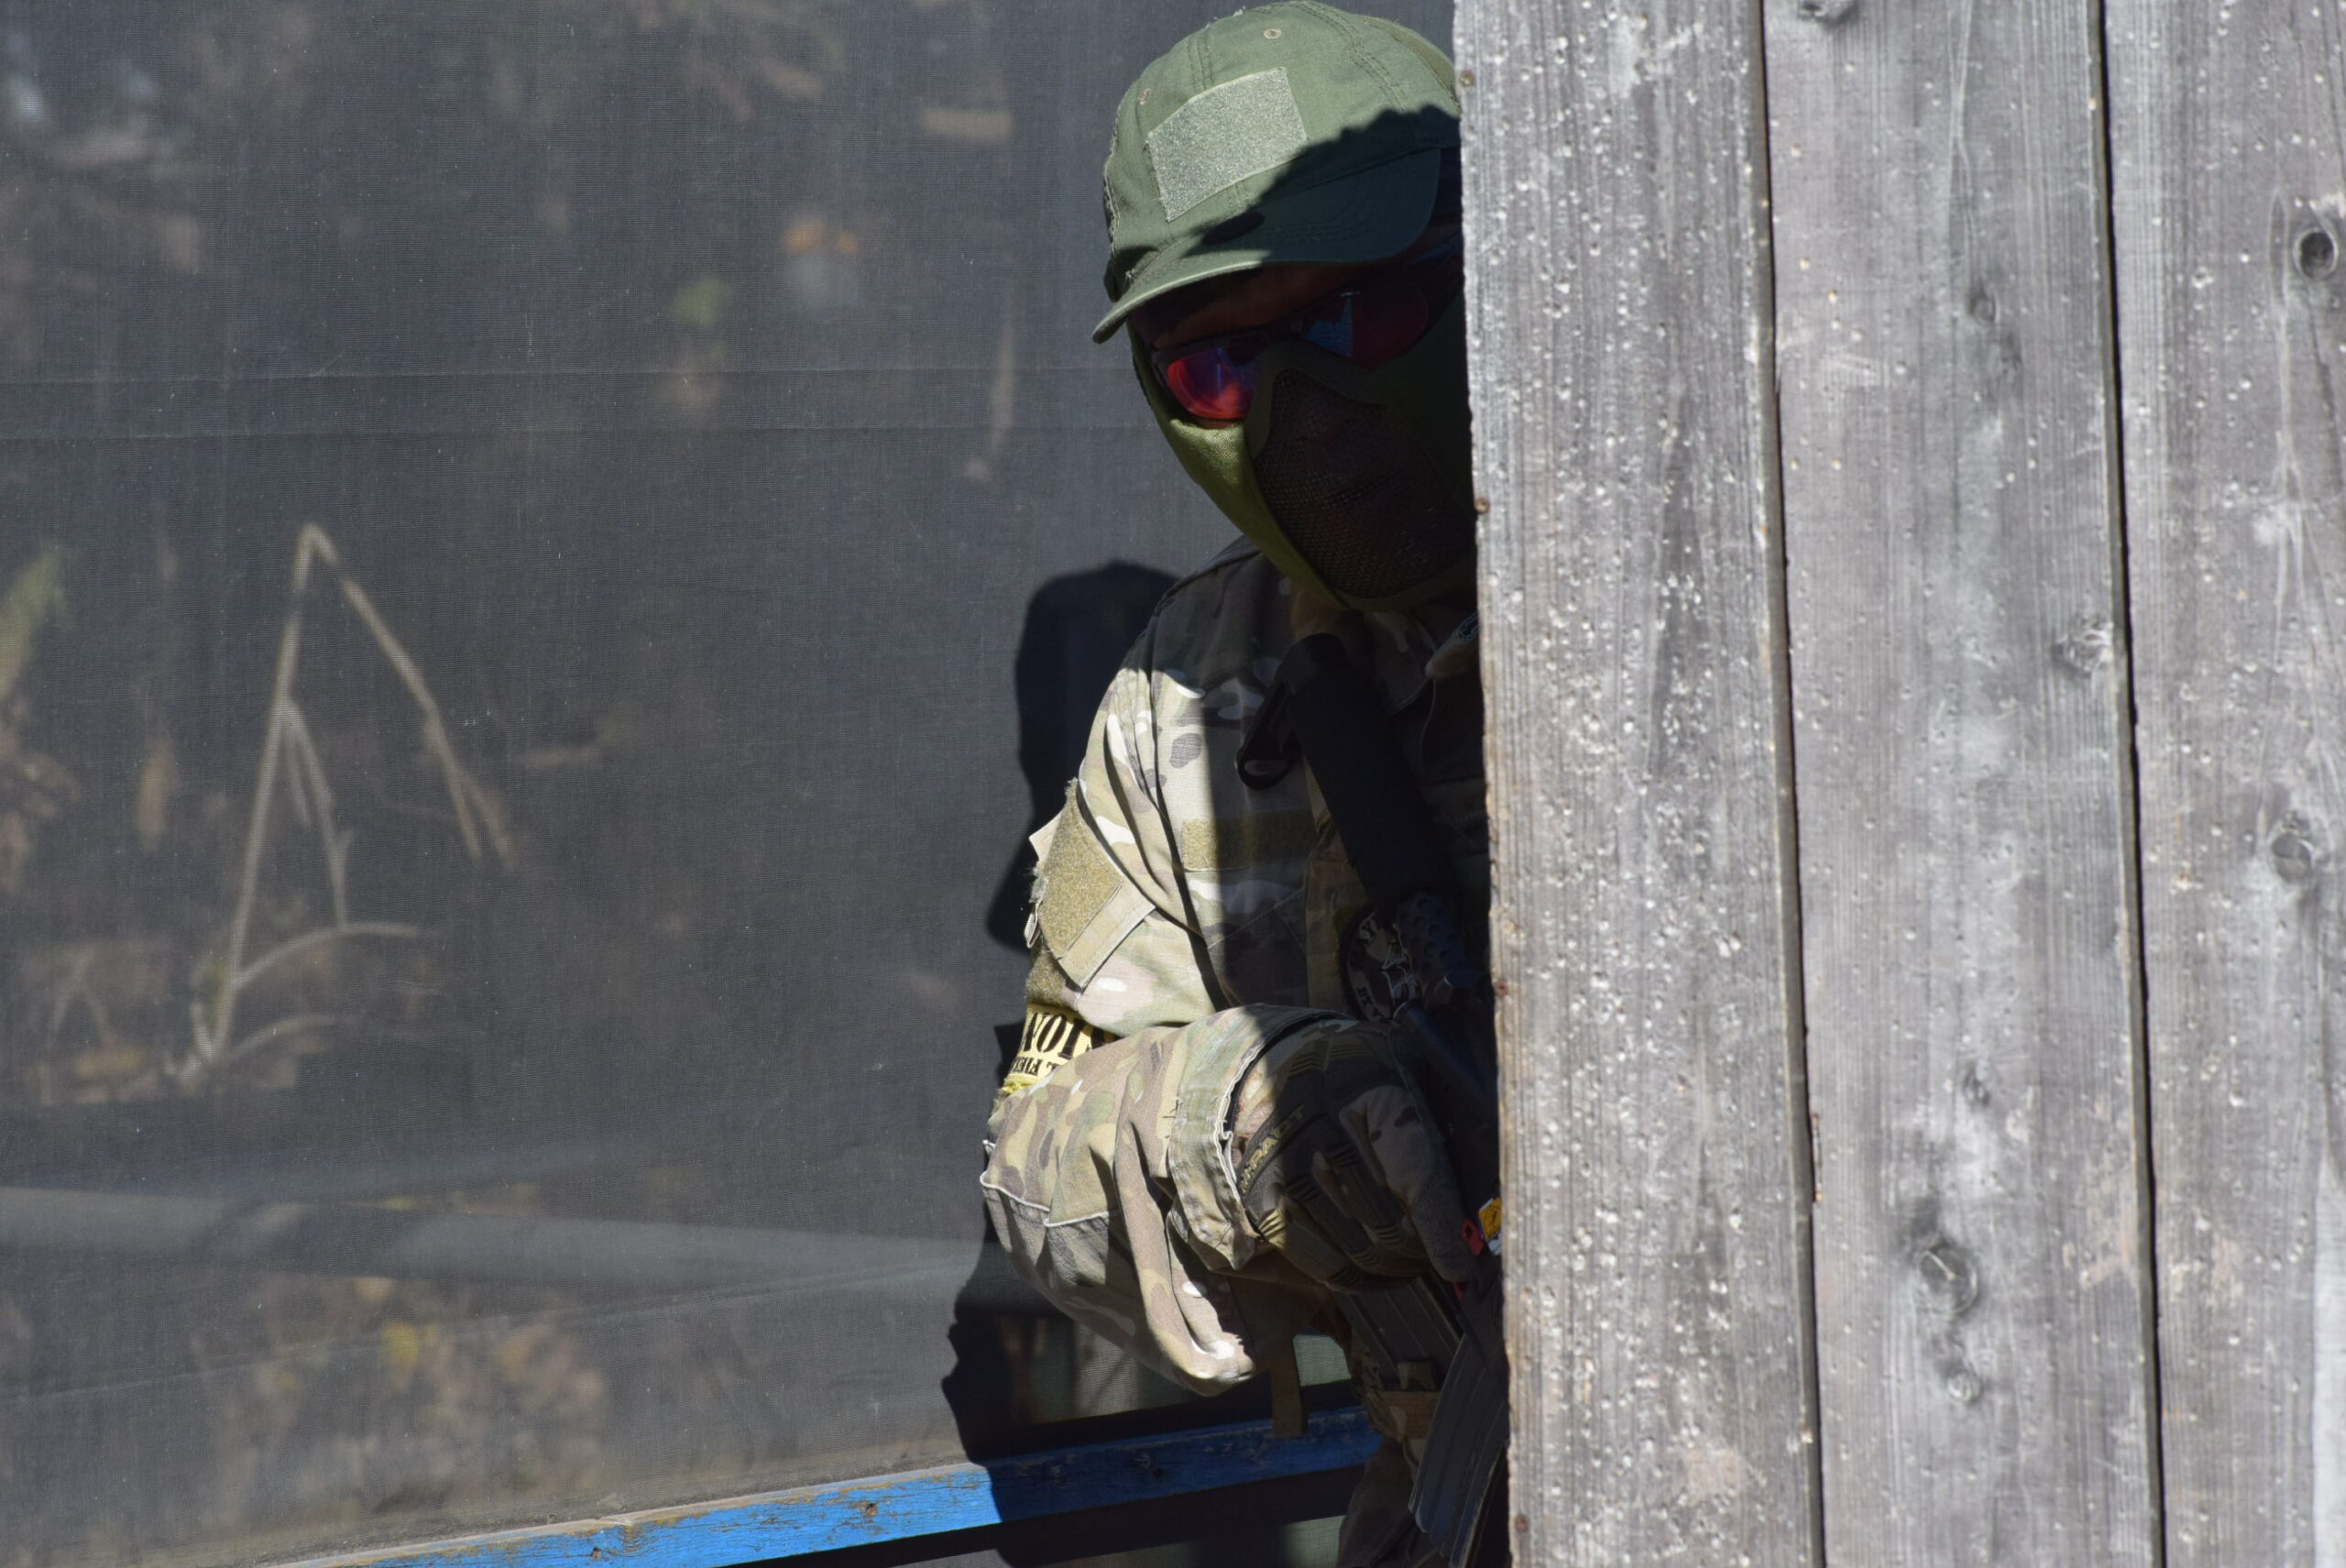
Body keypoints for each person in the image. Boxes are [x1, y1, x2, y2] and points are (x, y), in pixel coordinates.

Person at [980, 6, 1489, 1563]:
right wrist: (1253, 1132)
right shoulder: (1203, 683)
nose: (1304, 413)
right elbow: (1038, 1162)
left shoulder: (1738, 580)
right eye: (1218, 364)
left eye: (1364, 316)